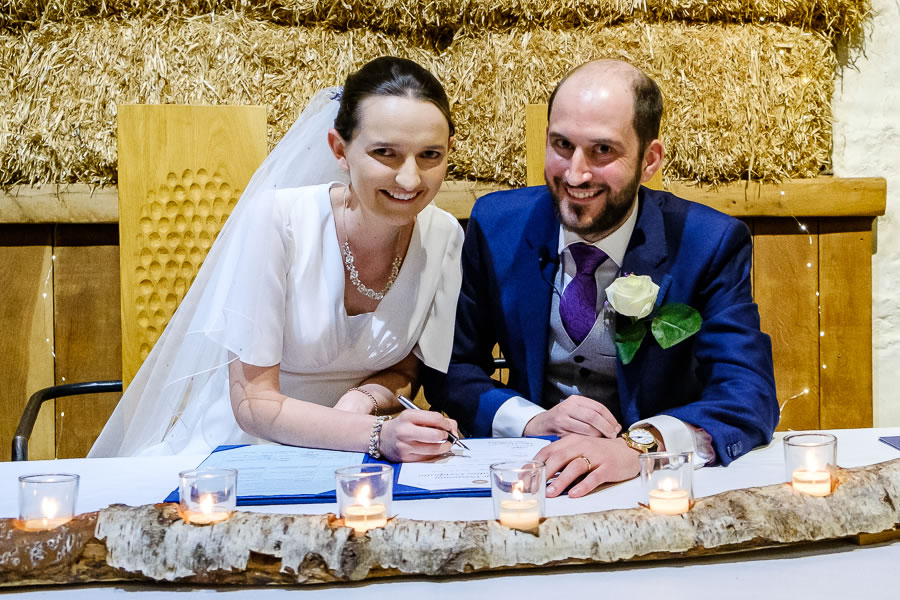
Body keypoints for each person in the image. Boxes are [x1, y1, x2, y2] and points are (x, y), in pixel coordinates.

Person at [422, 59, 779, 497]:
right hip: (533, 479)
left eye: (603, 150)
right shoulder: (497, 225)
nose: (576, 174)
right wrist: (530, 420)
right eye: (562, 145)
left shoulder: (708, 242)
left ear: (649, 160)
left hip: (654, 485)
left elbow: (749, 394)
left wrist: (641, 446)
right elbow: (450, 369)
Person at [89, 57, 464, 461]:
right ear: (340, 150)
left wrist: (363, 399)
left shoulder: (444, 237)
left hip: (353, 457)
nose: (409, 179)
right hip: (245, 452)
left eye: (430, 155)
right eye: (385, 153)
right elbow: (254, 403)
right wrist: (377, 434)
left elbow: (406, 371)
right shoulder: (276, 221)